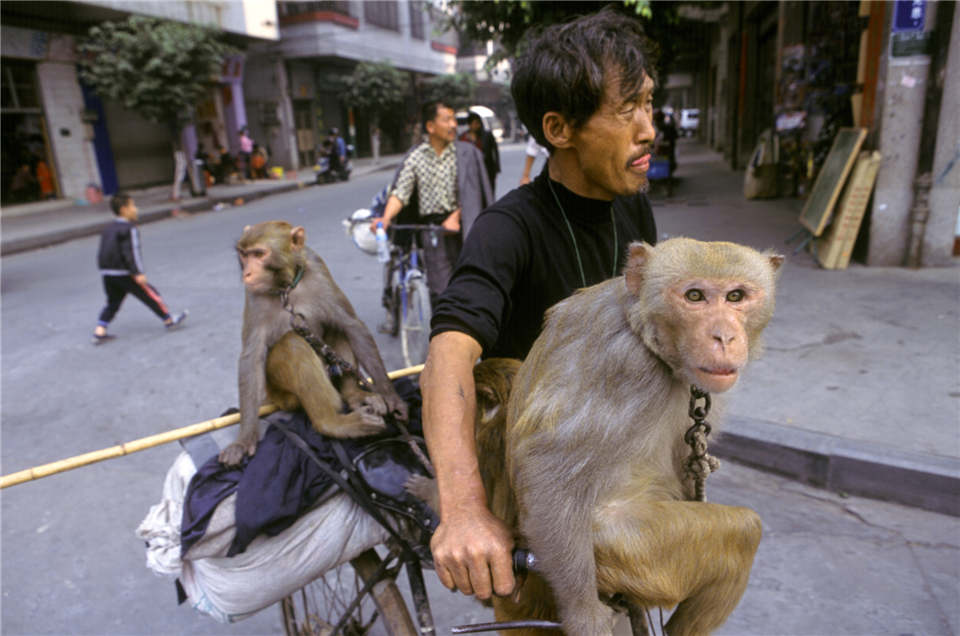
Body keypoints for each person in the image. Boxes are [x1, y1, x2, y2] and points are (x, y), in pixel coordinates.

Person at [419, 7, 659, 601]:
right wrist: (466, 510)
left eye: (649, 104)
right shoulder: (508, 229)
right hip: (534, 478)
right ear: (560, 129)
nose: (649, 128)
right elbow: (448, 354)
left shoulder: (632, 208)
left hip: (609, 454)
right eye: (626, 110)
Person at [369, 100, 493, 315]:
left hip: (465, 230)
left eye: (454, 119)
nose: (454, 124)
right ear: (430, 127)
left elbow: (477, 195)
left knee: (471, 286)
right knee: (441, 291)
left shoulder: (467, 154)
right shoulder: (416, 157)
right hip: (433, 233)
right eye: (447, 119)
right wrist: (386, 218)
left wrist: (457, 215)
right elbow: (401, 192)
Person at [92, 193, 188, 344]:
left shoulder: (108, 229)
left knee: (113, 302)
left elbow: (103, 250)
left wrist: (105, 269)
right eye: (133, 206)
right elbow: (132, 252)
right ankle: (169, 320)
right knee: (150, 295)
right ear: (124, 209)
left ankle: (100, 329)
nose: (136, 209)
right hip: (125, 272)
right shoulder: (130, 228)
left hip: (107, 272)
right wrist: (138, 272)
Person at [459, 112, 501, 194]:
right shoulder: (463, 138)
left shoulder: (487, 135)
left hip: (488, 170)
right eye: (475, 123)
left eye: (478, 123)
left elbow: (495, 151)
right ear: (469, 124)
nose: (477, 126)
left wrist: (497, 167)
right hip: (471, 173)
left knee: (489, 192)